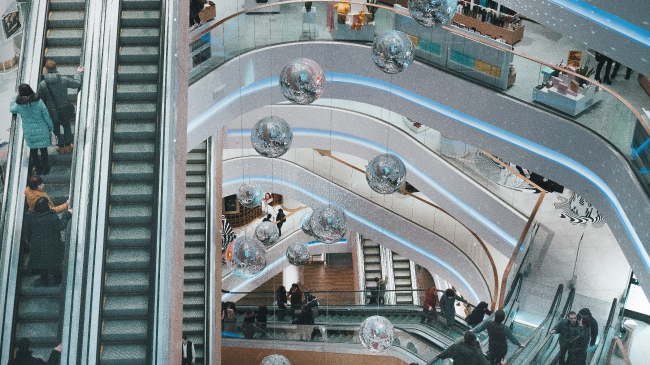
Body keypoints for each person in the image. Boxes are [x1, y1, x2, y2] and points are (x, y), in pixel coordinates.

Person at [22, 197, 72, 286]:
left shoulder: (30, 217)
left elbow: (27, 231)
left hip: (37, 247)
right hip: (52, 246)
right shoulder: (51, 217)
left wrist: (31, 241)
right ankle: (57, 282)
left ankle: (44, 283)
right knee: (55, 266)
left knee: (42, 268)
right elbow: (61, 226)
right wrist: (67, 214)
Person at [37, 60, 83, 154]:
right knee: (66, 126)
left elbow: (40, 99)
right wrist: (78, 72)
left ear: (46, 69)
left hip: (51, 113)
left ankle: (60, 147)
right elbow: (77, 83)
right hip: (64, 110)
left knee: (56, 129)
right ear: (56, 68)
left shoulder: (43, 84)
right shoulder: (63, 79)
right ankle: (68, 146)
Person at [10, 84, 53, 175]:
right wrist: (51, 127)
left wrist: (14, 96)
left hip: (29, 131)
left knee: (33, 151)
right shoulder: (39, 102)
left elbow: (12, 109)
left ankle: (38, 168)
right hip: (42, 129)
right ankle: (46, 168)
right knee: (44, 150)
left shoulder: (19, 105)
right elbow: (46, 115)